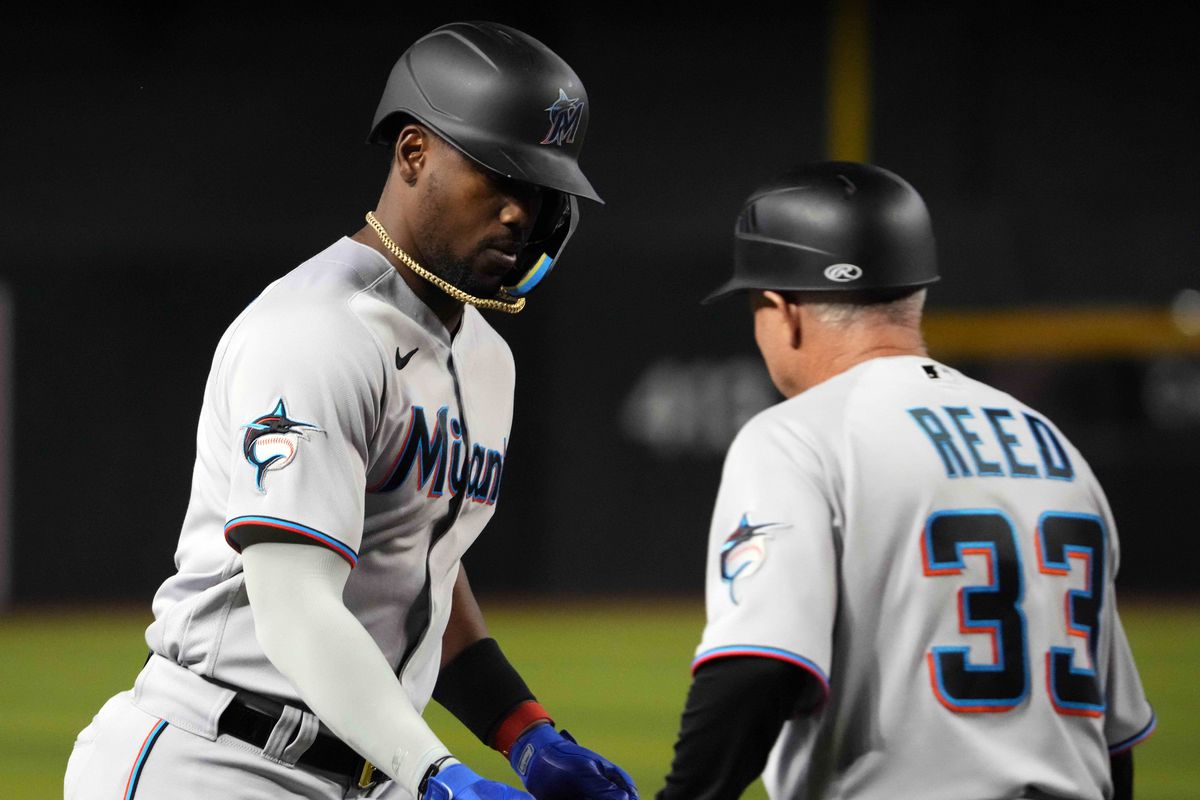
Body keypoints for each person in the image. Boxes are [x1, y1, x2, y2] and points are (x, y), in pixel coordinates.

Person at [64, 21, 637, 800]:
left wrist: (524, 731)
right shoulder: (313, 332)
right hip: (219, 760)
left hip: (374, 769)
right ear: (412, 154)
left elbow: (417, 560)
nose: (519, 212)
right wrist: (438, 774)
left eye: (540, 189)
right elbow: (295, 603)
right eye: (499, 173)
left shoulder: (483, 354)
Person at [657, 162, 1155, 800]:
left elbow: (757, 668)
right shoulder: (1051, 444)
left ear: (782, 310)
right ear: (914, 294)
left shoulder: (796, 436)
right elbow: (1113, 741)